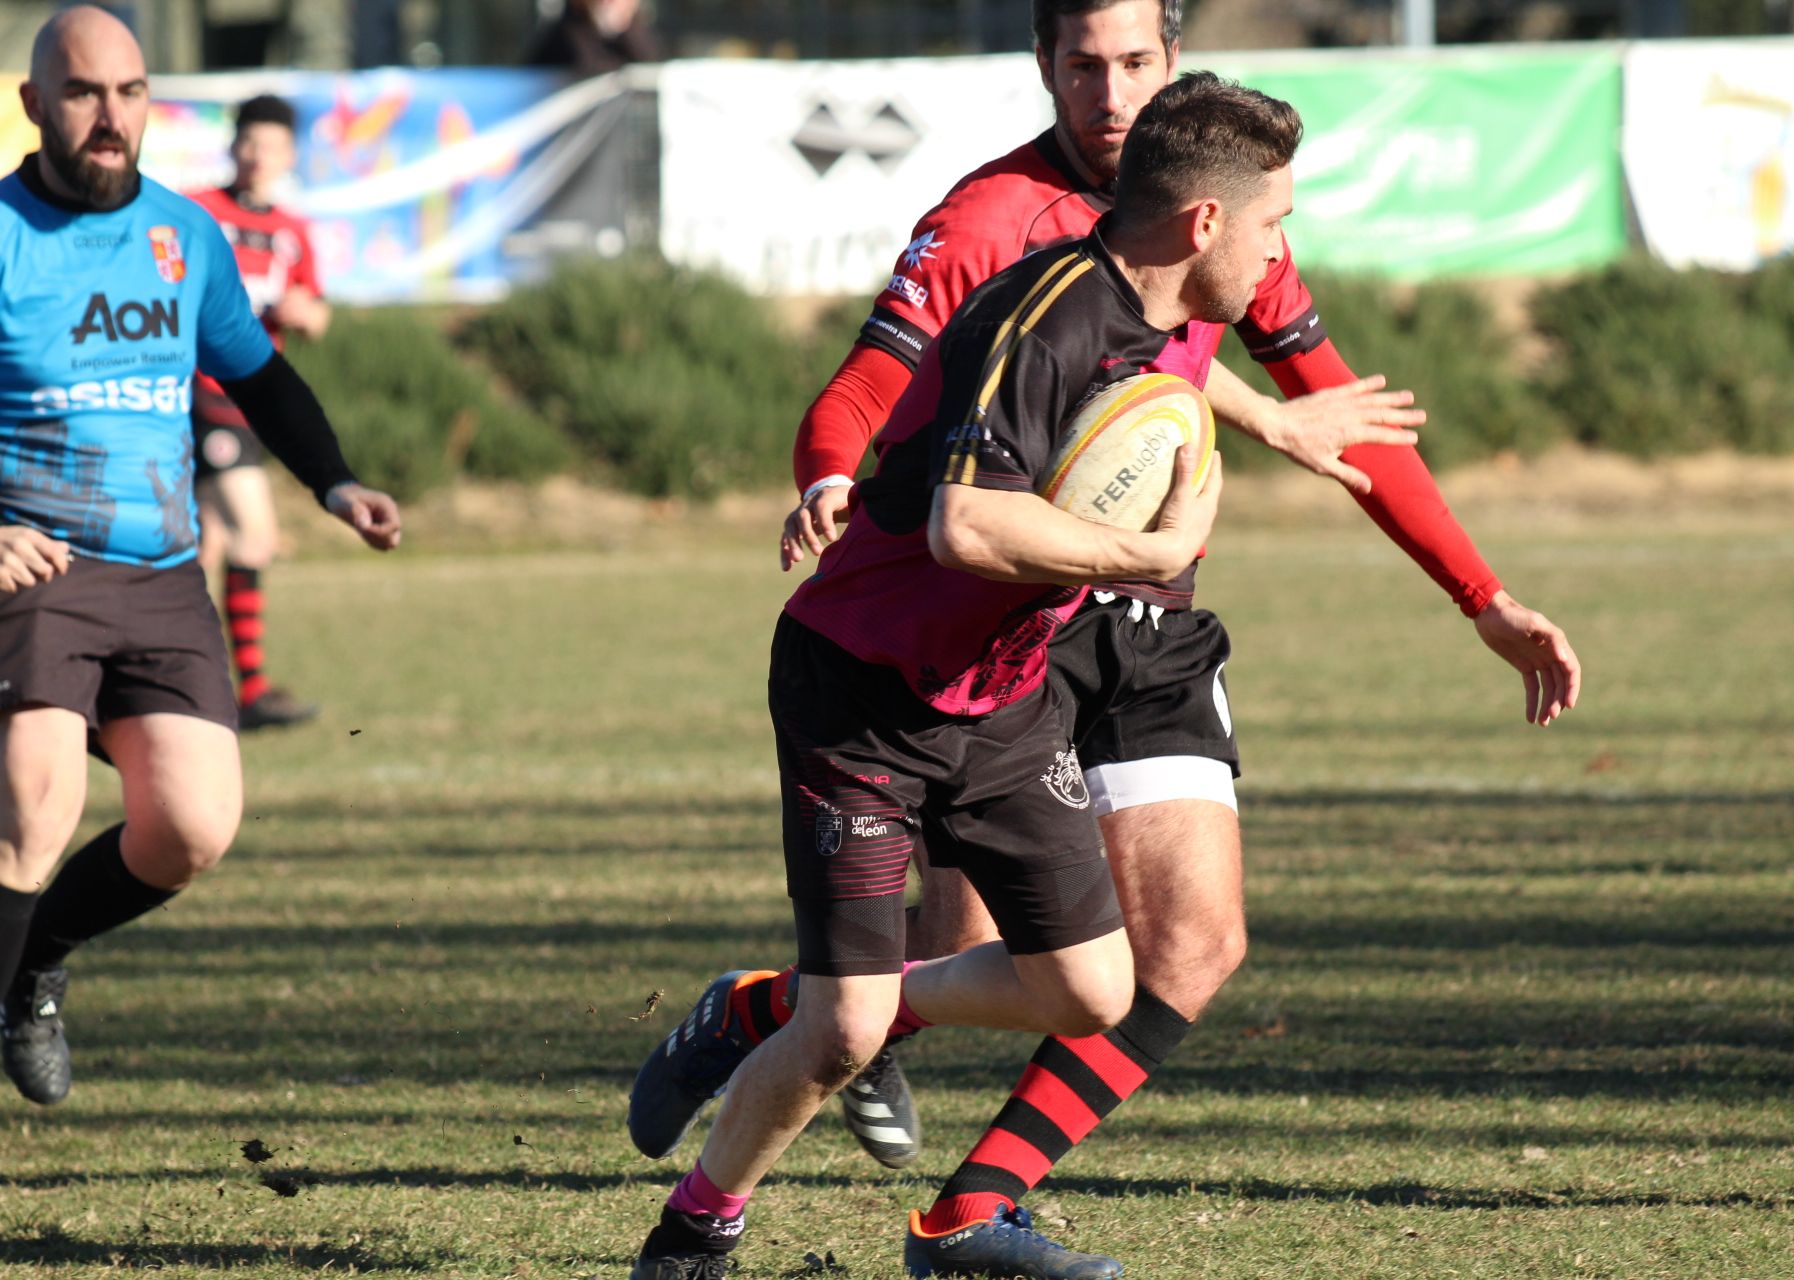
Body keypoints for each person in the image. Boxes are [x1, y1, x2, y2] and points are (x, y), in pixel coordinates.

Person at [630, 6, 1580, 1265]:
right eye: (1084, 63)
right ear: (1044, 66)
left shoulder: (1219, 207)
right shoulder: (1002, 230)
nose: (1110, 89)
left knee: (1170, 953)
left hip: (1112, 624)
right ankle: (768, 1087)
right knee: (925, 972)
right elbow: (892, 392)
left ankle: (959, 1206)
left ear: (1173, 66)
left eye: (1136, 61)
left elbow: (1284, 396)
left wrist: (1480, 593)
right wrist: (829, 470)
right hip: (990, 620)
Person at [624, 71, 1303, 1280]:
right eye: (1273, 223)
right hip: (862, 694)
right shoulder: (1047, 315)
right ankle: (695, 1226)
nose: (1279, 251)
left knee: (1093, 988)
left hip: (1001, 696)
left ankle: (761, 1004)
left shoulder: (1150, 322)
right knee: (847, 1029)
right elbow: (964, 527)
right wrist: (1145, 553)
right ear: (1204, 223)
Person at [0, 6, 402, 1108]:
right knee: (30, 805)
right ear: (35, 105)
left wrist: (335, 479)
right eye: (82, 93)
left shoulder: (185, 236)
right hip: (34, 567)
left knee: (189, 828)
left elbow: (261, 375)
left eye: (129, 93)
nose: (108, 115)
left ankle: (31, 966)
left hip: (162, 574)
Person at [187, 94, 330, 731]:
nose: (256, 155)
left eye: (269, 145)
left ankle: (187, 687)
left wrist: (306, 315)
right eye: (248, 142)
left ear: (289, 155)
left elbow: (318, 310)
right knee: (255, 532)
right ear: (232, 145)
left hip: (253, 402)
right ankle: (252, 689)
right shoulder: (196, 213)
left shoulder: (293, 232)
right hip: (198, 395)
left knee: (203, 547)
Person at [526, 0, 662, 74]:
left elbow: (650, 65)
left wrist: (623, 23)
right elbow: (588, 69)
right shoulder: (565, 35)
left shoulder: (637, 31)